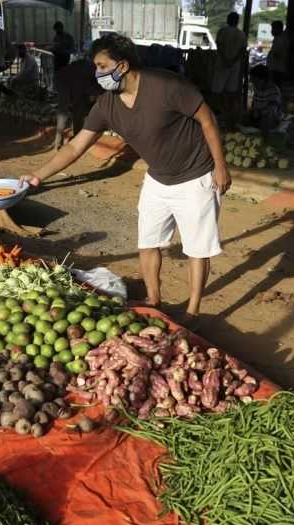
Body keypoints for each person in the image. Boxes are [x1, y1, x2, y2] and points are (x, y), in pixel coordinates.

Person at [19, 34, 231, 328]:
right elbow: (76, 146)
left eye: (102, 65)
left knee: (196, 248)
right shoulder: (107, 104)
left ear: (123, 65)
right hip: (158, 178)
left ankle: (193, 310)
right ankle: (153, 299)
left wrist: (220, 167)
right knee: (148, 241)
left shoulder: (167, 86)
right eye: (95, 66)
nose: (97, 73)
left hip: (195, 175)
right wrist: (38, 175)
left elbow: (208, 120)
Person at [53, 58, 101, 149]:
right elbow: (93, 91)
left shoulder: (91, 67)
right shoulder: (94, 71)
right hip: (71, 82)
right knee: (73, 112)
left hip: (65, 80)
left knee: (69, 112)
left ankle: (60, 142)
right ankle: (68, 140)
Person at [215, 12, 247, 130]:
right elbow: (242, 50)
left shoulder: (222, 31)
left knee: (218, 90)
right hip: (235, 66)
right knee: (231, 92)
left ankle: (221, 113)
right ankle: (230, 115)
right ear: (237, 21)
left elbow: (219, 45)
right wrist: (233, 61)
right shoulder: (241, 34)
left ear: (228, 20)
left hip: (222, 64)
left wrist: (225, 59)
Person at [249, 65, 282, 132]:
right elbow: (254, 105)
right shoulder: (258, 88)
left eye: (255, 81)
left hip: (271, 120)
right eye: (253, 82)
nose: (254, 84)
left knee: (266, 120)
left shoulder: (274, 91)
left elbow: (272, 110)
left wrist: (258, 113)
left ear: (263, 79)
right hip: (258, 117)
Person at [267, 20, 288, 88]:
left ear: (278, 29)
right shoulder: (282, 38)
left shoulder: (279, 40)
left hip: (276, 71)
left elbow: (277, 54)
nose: (271, 31)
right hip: (277, 70)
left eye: (273, 28)